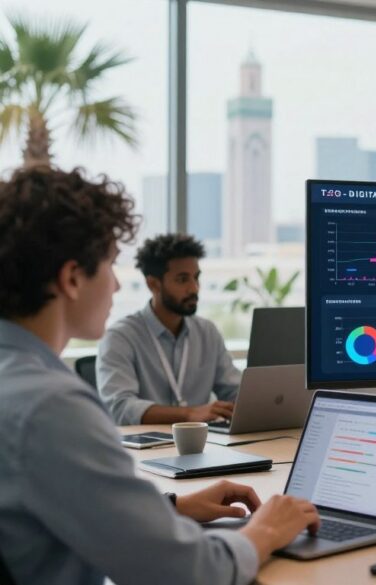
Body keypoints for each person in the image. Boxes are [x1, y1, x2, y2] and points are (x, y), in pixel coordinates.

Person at [0, 166, 319, 584]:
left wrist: (168, 508)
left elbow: (50, 503)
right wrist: (267, 530)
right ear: (72, 278)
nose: (116, 286)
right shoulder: (51, 406)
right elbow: (190, 573)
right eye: (111, 266)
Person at [97, 233, 240, 424]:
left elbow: (234, 391)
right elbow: (120, 407)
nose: (194, 288)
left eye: (196, 278)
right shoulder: (121, 337)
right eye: (182, 280)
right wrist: (189, 414)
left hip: (203, 445)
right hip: (146, 449)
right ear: (153, 284)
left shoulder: (207, 332)